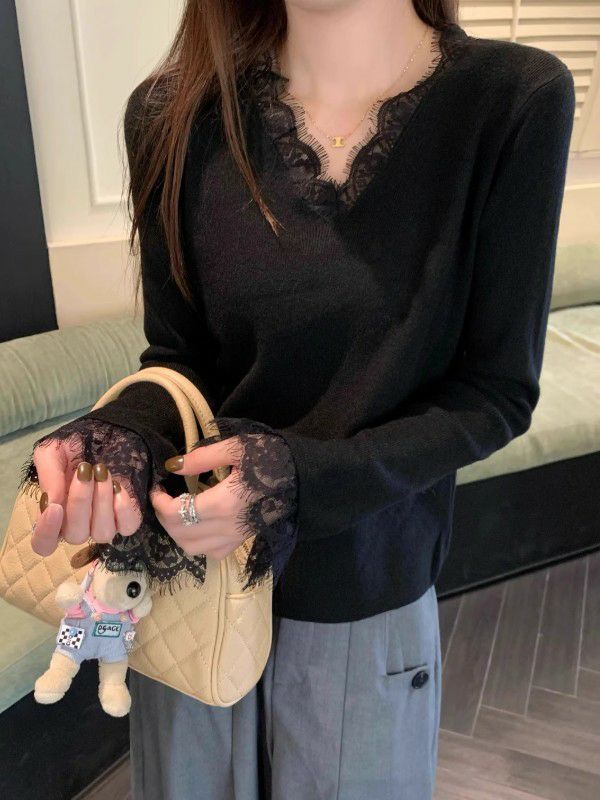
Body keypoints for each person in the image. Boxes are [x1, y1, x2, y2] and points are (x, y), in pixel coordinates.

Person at [21, 0, 576, 797]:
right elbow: (178, 359)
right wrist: (118, 437)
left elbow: (494, 393)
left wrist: (296, 481)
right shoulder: (171, 112)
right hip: (186, 591)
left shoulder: (512, 99)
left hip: (362, 590)